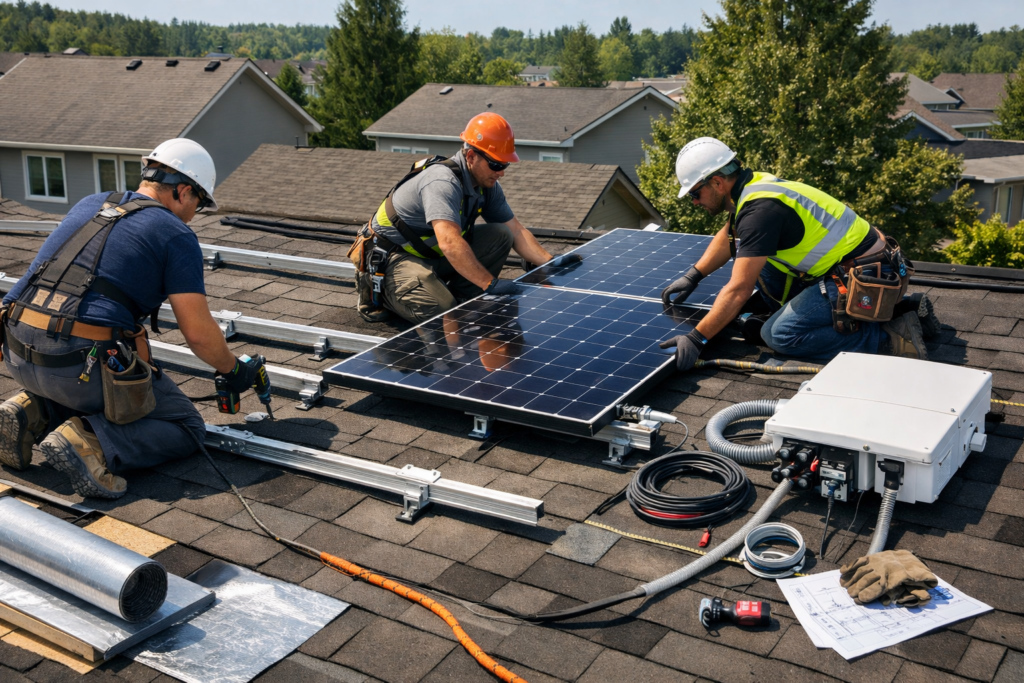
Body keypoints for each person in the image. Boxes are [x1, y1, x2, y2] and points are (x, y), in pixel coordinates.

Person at [0, 138, 265, 499]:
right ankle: (89, 442)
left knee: (80, 371)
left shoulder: (92, 203)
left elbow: (30, 283)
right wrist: (233, 370)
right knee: (185, 425)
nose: (194, 214)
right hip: (79, 367)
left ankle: (29, 412)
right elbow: (200, 335)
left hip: (17, 352)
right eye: (198, 204)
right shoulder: (176, 234)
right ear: (183, 191)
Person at [659, 137, 940, 371]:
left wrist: (697, 339)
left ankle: (889, 337)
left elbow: (738, 290)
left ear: (718, 182)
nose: (695, 202)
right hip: (869, 262)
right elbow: (730, 236)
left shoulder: (759, 213)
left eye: (695, 193)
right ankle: (903, 307)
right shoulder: (752, 187)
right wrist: (693, 276)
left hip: (861, 273)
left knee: (778, 334)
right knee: (759, 264)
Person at [355, 112, 579, 323]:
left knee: (500, 234)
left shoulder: (486, 184)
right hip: (394, 258)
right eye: (495, 164)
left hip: (429, 256)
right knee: (443, 314)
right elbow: (450, 242)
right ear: (471, 156)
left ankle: (460, 297)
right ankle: (380, 293)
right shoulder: (442, 182)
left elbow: (515, 229)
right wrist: (490, 284)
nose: (501, 172)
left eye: (505, 164)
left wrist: (550, 262)